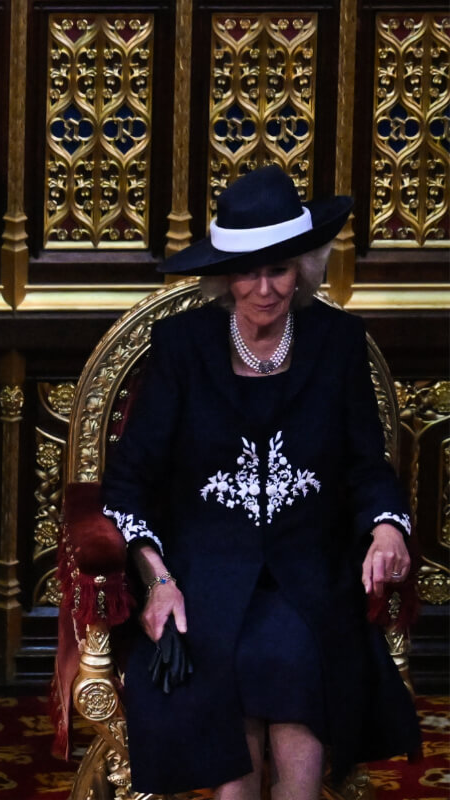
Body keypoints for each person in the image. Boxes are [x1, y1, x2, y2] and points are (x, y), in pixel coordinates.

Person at [100, 165, 421, 798]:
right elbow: (128, 482)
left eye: (280, 269)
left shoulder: (338, 342)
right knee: (234, 669)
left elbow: (367, 466)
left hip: (311, 574)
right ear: (225, 276)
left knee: (296, 660)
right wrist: (158, 580)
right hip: (204, 580)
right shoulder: (181, 346)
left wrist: (388, 526)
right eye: (249, 271)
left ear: (304, 268)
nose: (266, 288)